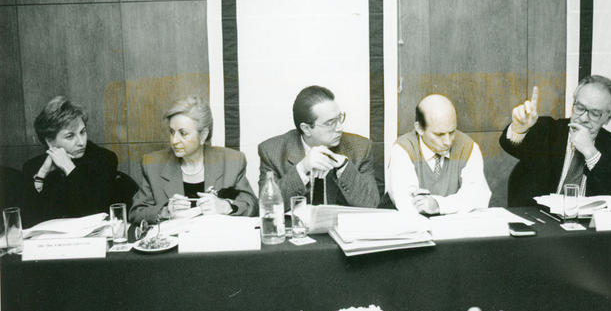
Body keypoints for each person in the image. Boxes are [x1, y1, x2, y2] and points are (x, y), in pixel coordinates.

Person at [500, 76, 611, 206]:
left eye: (595, 113)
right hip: (538, 215)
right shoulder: (547, 130)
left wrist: (590, 153)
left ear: (609, 117)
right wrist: (519, 129)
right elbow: (510, 146)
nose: (584, 118)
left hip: (586, 218)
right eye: (580, 108)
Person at [129, 96, 257, 223]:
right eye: (172, 132)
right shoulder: (153, 164)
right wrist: (165, 211)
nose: (174, 140)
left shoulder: (231, 161)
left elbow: (252, 206)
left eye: (183, 133)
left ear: (203, 135)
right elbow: (136, 213)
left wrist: (226, 206)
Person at [258, 85, 380, 209]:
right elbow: (268, 207)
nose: (339, 128)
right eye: (330, 123)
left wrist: (344, 168)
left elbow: (372, 204)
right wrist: (302, 169)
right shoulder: (272, 151)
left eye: (339, 118)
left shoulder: (360, 148)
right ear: (306, 129)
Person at [21, 96, 118, 227]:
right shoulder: (32, 166)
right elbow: (27, 222)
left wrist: (70, 168)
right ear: (50, 141)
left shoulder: (104, 159)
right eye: (70, 136)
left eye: (82, 132)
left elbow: (95, 212)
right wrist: (42, 174)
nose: (81, 142)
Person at [387, 94, 491, 214]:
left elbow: (478, 197)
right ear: (419, 128)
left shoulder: (468, 146)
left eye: (452, 132)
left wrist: (438, 205)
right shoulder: (402, 148)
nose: (448, 141)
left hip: (453, 223)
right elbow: (406, 202)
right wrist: (455, 204)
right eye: (439, 134)